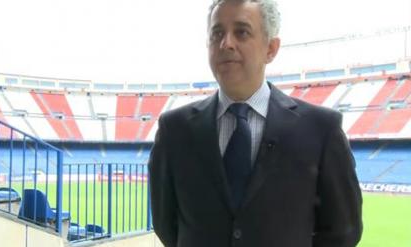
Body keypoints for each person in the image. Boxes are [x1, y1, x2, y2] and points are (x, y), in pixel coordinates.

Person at [148, 0, 363, 246]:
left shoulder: (321, 129)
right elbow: (166, 224)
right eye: (217, 33)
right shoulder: (174, 130)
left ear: (271, 48)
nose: (226, 43)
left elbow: (343, 231)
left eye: (242, 32)